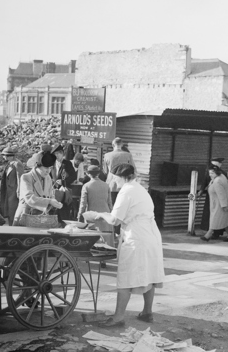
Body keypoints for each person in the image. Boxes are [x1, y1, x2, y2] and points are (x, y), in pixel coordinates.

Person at [92, 164, 164, 328]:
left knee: (125, 276)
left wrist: (98, 214)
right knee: (149, 273)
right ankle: (147, 312)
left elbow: (114, 220)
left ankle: (118, 317)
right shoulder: (139, 188)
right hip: (150, 234)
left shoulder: (126, 190)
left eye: (114, 177)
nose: (113, 180)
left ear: (122, 177)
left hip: (137, 237)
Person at [13, 152, 63, 226]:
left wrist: (55, 203)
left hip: (40, 218)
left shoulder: (48, 178)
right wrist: (49, 201)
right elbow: (29, 198)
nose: (48, 171)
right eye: (46, 167)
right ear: (37, 166)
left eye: (50, 168)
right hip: (25, 217)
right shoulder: (26, 177)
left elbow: (51, 195)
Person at [77, 164, 114, 251]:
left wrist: (79, 216)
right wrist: (112, 216)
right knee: (106, 240)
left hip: (92, 215)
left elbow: (83, 204)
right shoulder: (106, 185)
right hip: (106, 215)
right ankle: (104, 261)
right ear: (98, 173)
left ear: (88, 174)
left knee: (93, 240)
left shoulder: (86, 186)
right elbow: (110, 203)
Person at [199, 166, 228, 242]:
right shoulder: (221, 176)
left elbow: (221, 194)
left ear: (216, 173)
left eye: (212, 173)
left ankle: (208, 235)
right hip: (221, 202)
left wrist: (224, 205)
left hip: (220, 203)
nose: (210, 175)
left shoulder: (217, 181)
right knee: (225, 219)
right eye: (209, 173)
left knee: (215, 218)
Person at [102, 137, 136, 206]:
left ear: (113, 145)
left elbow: (105, 171)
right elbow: (134, 170)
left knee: (112, 206)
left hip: (111, 185)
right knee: (123, 206)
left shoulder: (107, 155)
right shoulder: (128, 155)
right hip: (125, 185)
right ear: (122, 145)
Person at [198, 158, 226, 236]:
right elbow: (205, 182)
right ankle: (210, 231)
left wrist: (201, 190)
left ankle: (215, 232)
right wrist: (201, 190)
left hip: (217, 197)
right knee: (211, 213)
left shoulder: (222, 173)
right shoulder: (214, 173)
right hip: (211, 196)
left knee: (216, 214)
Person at [0, 146, 23, 225]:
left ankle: (14, 228)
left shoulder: (17, 164)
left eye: (4, 155)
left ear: (9, 155)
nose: (3, 157)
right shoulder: (9, 163)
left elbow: (20, 178)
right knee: (8, 211)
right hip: (8, 191)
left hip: (14, 192)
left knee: (13, 211)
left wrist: (19, 191)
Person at [51, 144, 77, 221]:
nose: (56, 156)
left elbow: (73, 176)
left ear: (62, 154)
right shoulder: (52, 164)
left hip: (64, 192)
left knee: (63, 212)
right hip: (53, 191)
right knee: (53, 212)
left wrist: (63, 182)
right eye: (55, 154)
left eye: (58, 154)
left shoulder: (67, 163)